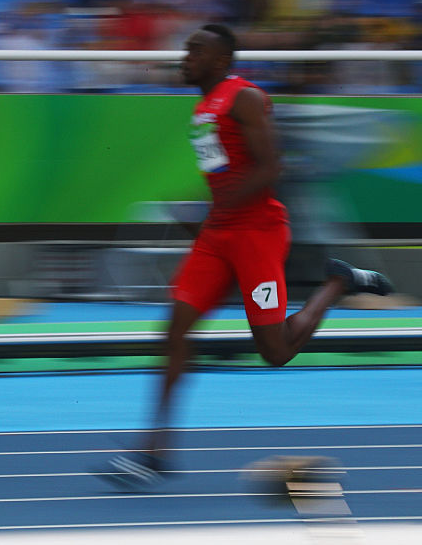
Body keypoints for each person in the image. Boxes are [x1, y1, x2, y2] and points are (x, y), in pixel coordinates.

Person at [104, 25, 394, 488]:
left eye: (195, 52)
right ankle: (155, 448)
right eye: (185, 51)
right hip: (219, 235)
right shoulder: (202, 109)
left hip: (257, 233)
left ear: (221, 61)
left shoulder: (246, 98)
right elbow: (224, 172)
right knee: (175, 329)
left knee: (275, 352)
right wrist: (206, 213)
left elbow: (269, 169)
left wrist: (217, 208)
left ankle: (336, 283)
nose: (185, 58)